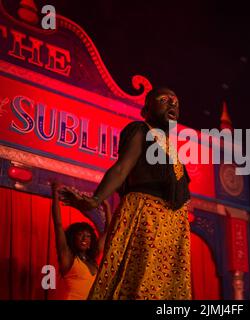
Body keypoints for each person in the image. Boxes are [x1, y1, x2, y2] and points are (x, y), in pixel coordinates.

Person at [59, 87, 192, 300]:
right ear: (146, 110)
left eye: (176, 101)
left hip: (172, 226)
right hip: (146, 217)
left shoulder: (171, 148)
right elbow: (122, 168)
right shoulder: (141, 130)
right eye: (164, 99)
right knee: (140, 286)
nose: (173, 104)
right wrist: (95, 199)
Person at [50, 182, 111, 300]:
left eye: (88, 236)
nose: (84, 238)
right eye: (80, 235)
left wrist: (106, 206)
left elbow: (108, 231)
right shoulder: (68, 257)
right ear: (73, 238)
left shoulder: (92, 260)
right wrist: (55, 194)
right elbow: (58, 225)